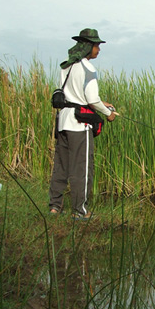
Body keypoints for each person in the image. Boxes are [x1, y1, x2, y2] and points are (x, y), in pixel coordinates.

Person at [48, 28, 116, 219]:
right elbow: (91, 100)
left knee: (61, 166)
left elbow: (75, 96)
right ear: (88, 46)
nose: (99, 49)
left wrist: (104, 104)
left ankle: (55, 207)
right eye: (97, 46)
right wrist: (107, 113)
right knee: (82, 169)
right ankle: (80, 211)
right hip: (79, 125)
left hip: (63, 121)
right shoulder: (88, 69)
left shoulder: (66, 66)